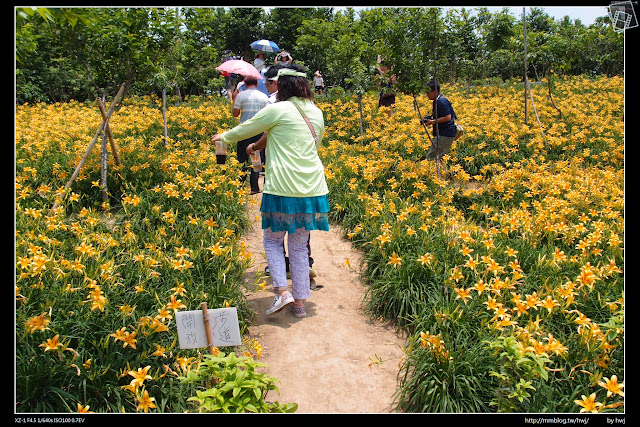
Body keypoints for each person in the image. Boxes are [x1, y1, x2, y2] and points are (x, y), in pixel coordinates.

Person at [212, 65, 328, 319]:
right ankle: (299, 304)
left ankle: (281, 290)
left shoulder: (278, 109)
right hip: (311, 188)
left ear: (283, 86)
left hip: (283, 186)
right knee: (299, 246)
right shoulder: (317, 113)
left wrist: (223, 137)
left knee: (273, 240)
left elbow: (248, 127)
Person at [256, 65, 317, 280]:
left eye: (271, 82)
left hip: (282, 179)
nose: (270, 85)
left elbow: (262, 132)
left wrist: (254, 147)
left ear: (278, 82)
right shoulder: (312, 107)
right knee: (300, 239)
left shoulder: (274, 104)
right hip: (308, 180)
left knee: (274, 235)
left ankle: (281, 278)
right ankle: (302, 273)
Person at [231, 75, 269, 194]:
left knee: (242, 159)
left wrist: (234, 99)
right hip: (259, 130)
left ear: (245, 84)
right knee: (256, 158)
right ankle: (254, 188)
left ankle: (240, 187)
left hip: (244, 131)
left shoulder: (240, 95)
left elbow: (235, 114)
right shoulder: (264, 96)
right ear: (257, 84)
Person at [420, 80, 457, 161]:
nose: (427, 95)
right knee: (440, 158)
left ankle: (433, 173)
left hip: (444, 134)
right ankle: (442, 173)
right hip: (445, 134)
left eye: (429, 92)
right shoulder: (438, 100)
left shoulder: (441, 101)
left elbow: (448, 117)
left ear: (436, 91)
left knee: (431, 158)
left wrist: (432, 121)